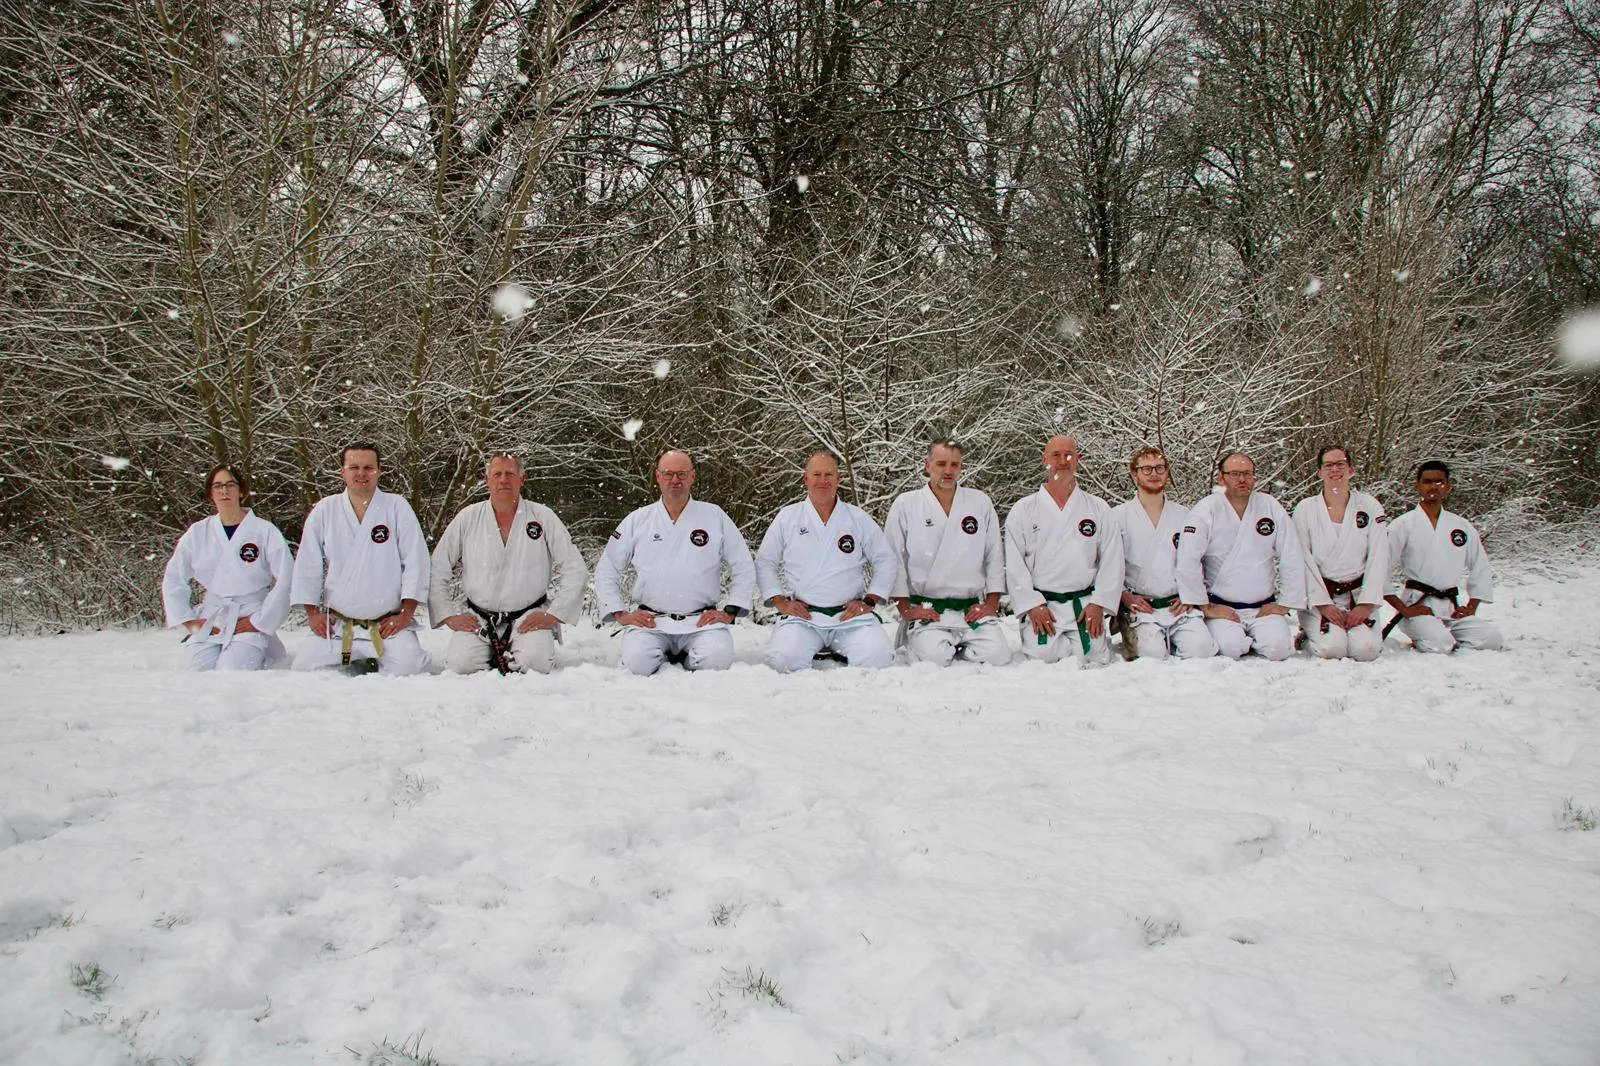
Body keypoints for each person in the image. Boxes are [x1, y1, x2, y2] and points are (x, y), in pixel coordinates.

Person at [594, 449, 756, 675]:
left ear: (693, 476)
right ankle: (659, 654)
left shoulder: (714, 516)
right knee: (636, 664)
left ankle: (688, 657)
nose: (675, 480)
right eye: (668, 474)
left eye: (682, 474)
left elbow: (743, 564)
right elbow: (607, 568)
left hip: (701, 622)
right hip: (651, 622)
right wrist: (620, 613)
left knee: (716, 660)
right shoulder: (638, 519)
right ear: (658, 476)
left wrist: (730, 611)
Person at [428, 453, 588, 674]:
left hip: (528, 616)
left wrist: (553, 615)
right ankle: (490, 651)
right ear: (487, 479)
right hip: (478, 618)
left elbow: (575, 569)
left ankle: (524, 648)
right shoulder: (468, 518)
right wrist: (448, 615)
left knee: (535, 663)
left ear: (522, 479)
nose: (503, 480)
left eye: (510, 474)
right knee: (461, 665)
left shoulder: (542, 516)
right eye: (497, 474)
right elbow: (438, 567)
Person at [291, 443, 431, 674]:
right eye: (354, 467)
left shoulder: (396, 506)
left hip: (387, 624)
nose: (361, 474)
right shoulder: (326, 509)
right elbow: (308, 563)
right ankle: (356, 663)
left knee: (410, 667)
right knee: (304, 667)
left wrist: (406, 614)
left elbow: (416, 561)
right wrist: (313, 613)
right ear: (342, 472)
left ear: (379, 471)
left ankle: (366, 659)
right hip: (339, 624)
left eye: (368, 468)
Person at [755, 449, 898, 672]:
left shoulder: (857, 518)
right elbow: (765, 561)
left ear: (838, 478)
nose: (823, 480)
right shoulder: (788, 517)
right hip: (804, 616)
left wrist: (870, 600)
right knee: (783, 660)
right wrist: (780, 601)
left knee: (879, 658)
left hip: (849, 616)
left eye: (829, 474)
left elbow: (885, 559)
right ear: (806, 479)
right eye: (817, 474)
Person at [885, 439, 1009, 666]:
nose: (948, 471)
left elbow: (993, 554)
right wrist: (906, 609)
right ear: (927, 465)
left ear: (962, 467)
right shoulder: (906, 504)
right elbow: (894, 558)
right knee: (934, 657)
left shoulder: (979, 502)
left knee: (998, 654)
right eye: (941, 464)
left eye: (954, 465)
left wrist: (991, 603)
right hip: (928, 609)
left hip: (970, 609)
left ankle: (957, 645)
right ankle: (920, 639)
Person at [1004, 435, 1123, 664]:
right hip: (1044, 604)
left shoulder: (1097, 508)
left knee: (1092, 656)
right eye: (1056, 455)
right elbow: (1015, 564)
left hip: (1084, 604)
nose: (1062, 461)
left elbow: (1112, 560)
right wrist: (1032, 604)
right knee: (1043, 656)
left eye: (1069, 455)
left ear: (1078, 459)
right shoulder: (1024, 510)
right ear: (1045, 460)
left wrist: (1099, 603)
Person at [1176, 451, 1307, 661]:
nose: (1242, 479)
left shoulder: (1269, 506)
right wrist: (1205, 606)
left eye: (1247, 473)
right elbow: (1188, 559)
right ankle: (1243, 639)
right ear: (1221, 478)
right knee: (1230, 648)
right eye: (1235, 474)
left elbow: (1291, 554)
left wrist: (1285, 603)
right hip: (1222, 607)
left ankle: (1259, 637)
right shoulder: (1206, 509)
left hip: (1263, 607)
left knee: (1278, 649)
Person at [161, 464, 294, 670]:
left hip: (250, 613)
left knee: (232, 670)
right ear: (210, 494)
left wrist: (259, 620)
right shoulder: (198, 533)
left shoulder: (263, 531)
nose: (224, 491)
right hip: (213, 616)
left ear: (241, 491)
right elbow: (174, 578)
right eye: (218, 486)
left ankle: (263, 652)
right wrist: (188, 621)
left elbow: (288, 578)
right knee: (194, 669)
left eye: (230, 485)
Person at [1383, 460, 1503, 653]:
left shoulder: (1461, 526)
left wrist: (1471, 607)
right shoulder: (1403, 525)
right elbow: (1380, 569)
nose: (1433, 487)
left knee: (1492, 640)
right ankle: (1436, 636)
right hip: (1417, 604)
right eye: (1427, 482)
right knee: (1441, 644)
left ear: (1448, 486)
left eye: (1439, 482)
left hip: (1451, 606)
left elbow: (1480, 566)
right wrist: (1404, 609)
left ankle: (1446, 636)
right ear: (1417, 486)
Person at [1110, 447, 1215, 660]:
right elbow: (1108, 564)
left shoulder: (1185, 515)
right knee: (1151, 656)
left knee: (1201, 650)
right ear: (1134, 474)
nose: (1154, 474)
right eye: (1146, 469)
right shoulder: (1117, 517)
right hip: (1140, 606)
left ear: (1167, 472)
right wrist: (1124, 595)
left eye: (1159, 468)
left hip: (1177, 604)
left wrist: (1190, 594)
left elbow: (1197, 560)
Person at [1292, 446, 1388, 661]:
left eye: (1340, 464)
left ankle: (1360, 628)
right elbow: (1302, 559)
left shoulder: (1369, 506)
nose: (1334, 470)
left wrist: (1366, 604)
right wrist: (1323, 604)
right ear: (1319, 472)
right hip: (1322, 596)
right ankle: (1307, 636)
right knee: (1332, 649)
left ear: (1351, 469)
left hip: (1358, 595)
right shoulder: (1305, 509)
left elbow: (1379, 556)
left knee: (1365, 651)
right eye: (1328, 465)